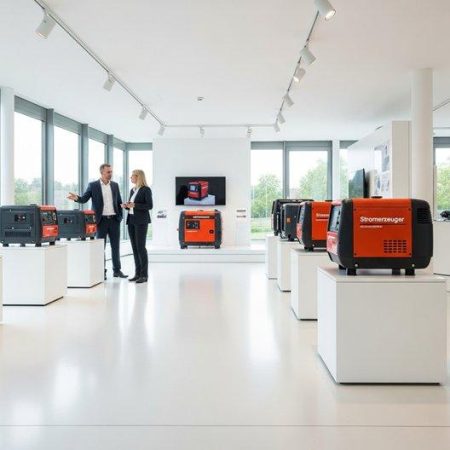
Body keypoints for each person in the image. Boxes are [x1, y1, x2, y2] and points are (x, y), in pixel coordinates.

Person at [67, 163, 128, 280]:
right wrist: (77, 198)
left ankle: (117, 270)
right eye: (108, 172)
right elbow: (84, 199)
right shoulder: (93, 185)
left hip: (114, 220)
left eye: (111, 172)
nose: (110, 174)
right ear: (102, 172)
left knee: (116, 247)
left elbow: (119, 201)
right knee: (100, 248)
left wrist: (120, 216)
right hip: (101, 221)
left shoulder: (115, 185)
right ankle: (101, 271)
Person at [122, 169, 153, 284]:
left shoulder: (146, 189)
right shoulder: (132, 190)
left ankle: (144, 275)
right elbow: (132, 206)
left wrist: (135, 205)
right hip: (131, 220)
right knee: (134, 248)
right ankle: (137, 274)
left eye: (132, 176)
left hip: (141, 221)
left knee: (141, 248)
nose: (130, 178)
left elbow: (149, 205)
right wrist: (126, 206)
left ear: (138, 177)